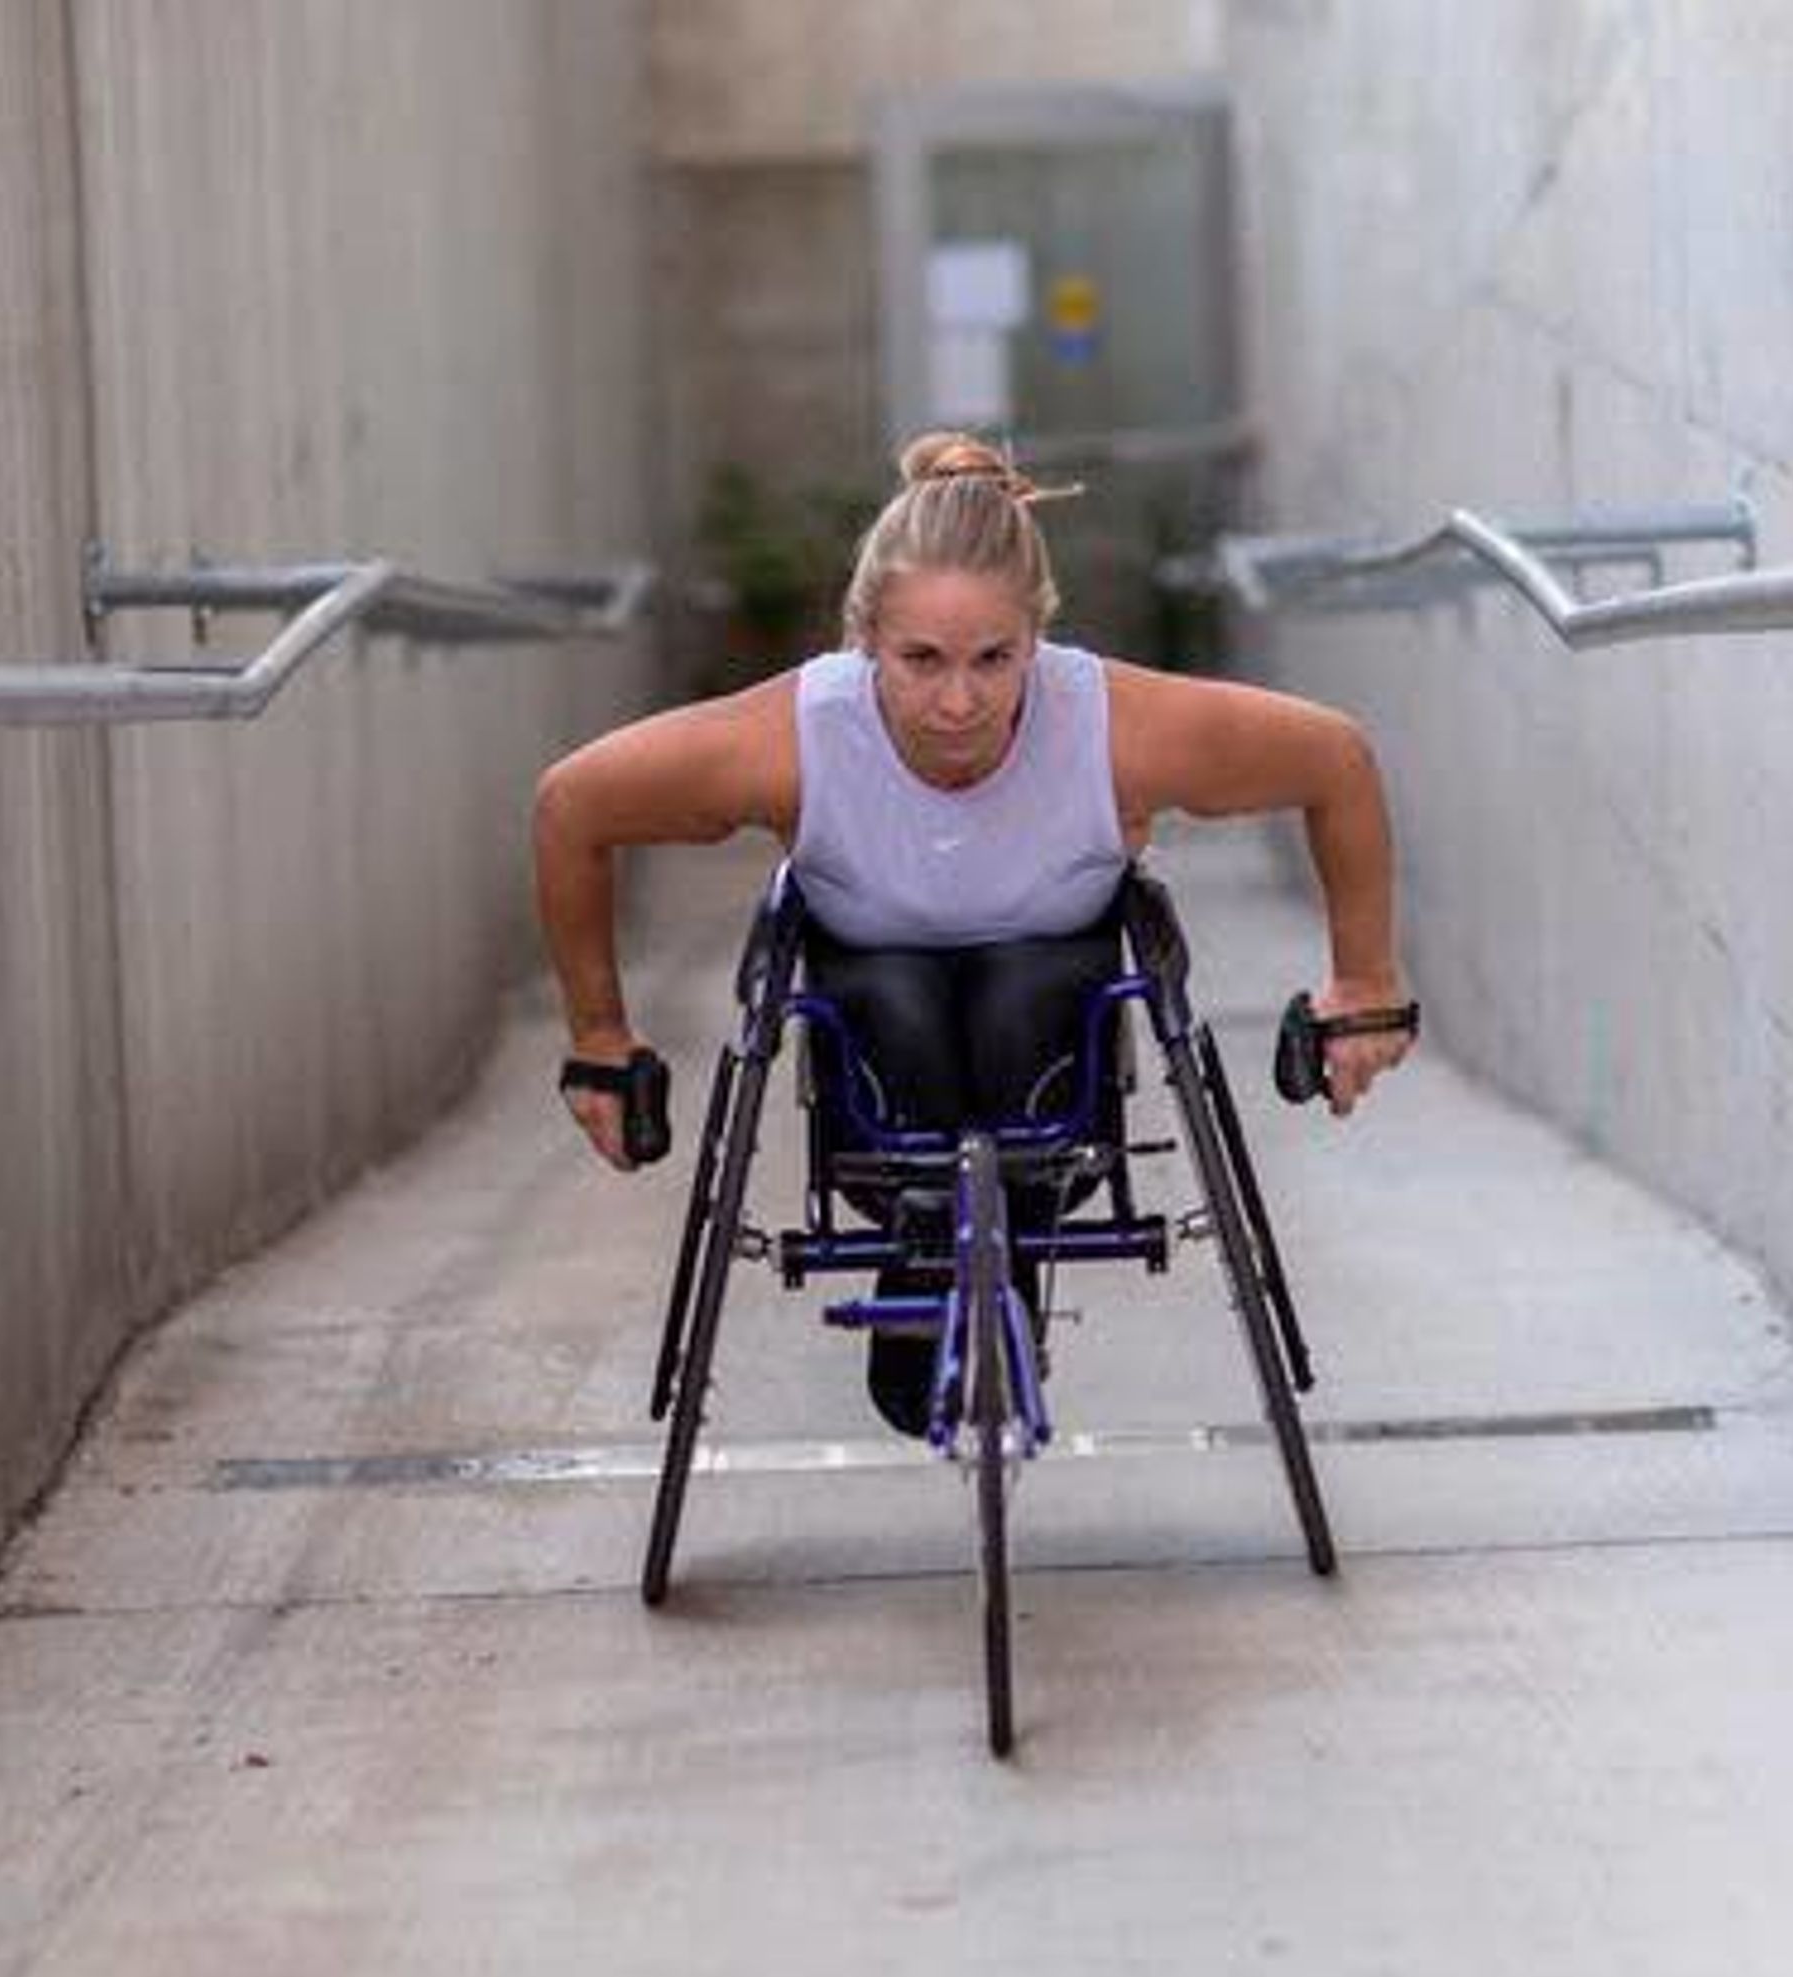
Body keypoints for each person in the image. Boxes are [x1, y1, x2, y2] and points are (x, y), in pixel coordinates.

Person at [531, 431, 1418, 1430]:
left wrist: (1366, 984)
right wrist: (600, 1038)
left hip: (1056, 1052)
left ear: (1037, 637)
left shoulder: (1114, 726)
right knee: (896, 996)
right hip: (873, 1054)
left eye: (995, 659)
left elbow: (1334, 762)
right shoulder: (793, 739)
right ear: (865, 638)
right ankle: (926, 1241)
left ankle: (1005, 1238)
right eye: (920, 660)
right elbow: (574, 807)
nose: (959, 700)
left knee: (1023, 996)